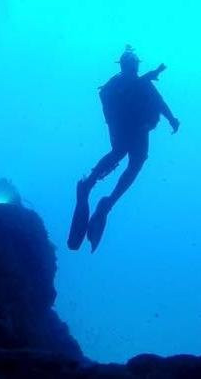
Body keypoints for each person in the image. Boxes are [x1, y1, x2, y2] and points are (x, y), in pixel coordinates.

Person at [68, 46, 179, 252]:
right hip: (130, 129)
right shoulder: (123, 84)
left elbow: (159, 102)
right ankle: (97, 193)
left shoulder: (140, 83)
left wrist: (171, 118)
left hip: (135, 129)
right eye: (131, 65)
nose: (133, 68)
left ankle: (96, 191)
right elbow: (155, 102)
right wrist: (170, 118)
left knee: (127, 158)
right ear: (126, 66)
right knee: (128, 158)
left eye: (134, 65)